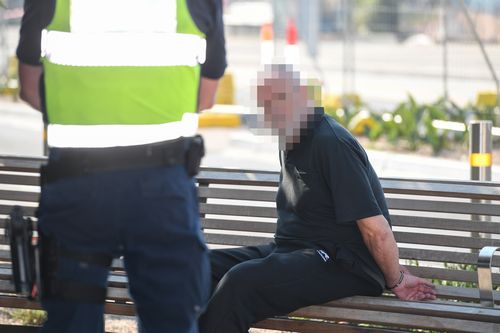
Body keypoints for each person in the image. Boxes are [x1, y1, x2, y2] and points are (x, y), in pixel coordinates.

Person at [16, 1, 226, 332]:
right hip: (163, 189)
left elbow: (30, 88)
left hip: (78, 187)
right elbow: (205, 96)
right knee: (171, 319)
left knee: (72, 320)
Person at [198, 64, 437, 333]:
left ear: (304, 97)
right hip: (296, 251)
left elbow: (375, 229)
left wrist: (397, 279)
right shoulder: (292, 137)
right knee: (199, 268)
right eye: (265, 104)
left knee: (240, 283)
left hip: (344, 264)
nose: (272, 111)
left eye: (280, 99)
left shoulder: (331, 142)